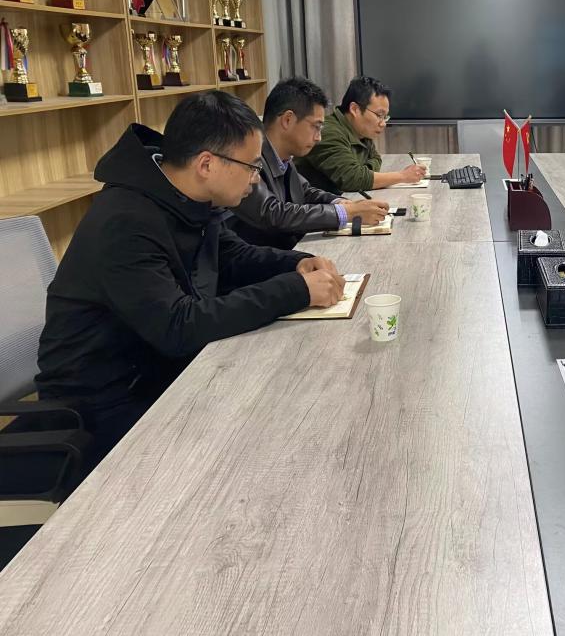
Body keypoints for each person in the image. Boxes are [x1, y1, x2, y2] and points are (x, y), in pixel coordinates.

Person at [34, 91, 346, 467]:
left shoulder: (185, 197)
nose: (256, 179)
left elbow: (232, 256)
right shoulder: (125, 222)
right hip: (102, 404)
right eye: (251, 166)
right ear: (206, 164)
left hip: (160, 371)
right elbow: (178, 326)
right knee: (258, 446)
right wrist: (295, 290)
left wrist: (298, 264)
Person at [228, 77, 389, 249]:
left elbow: (305, 191)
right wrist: (344, 213)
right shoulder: (250, 157)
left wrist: (342, 203)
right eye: (316, 126)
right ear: (287, 120)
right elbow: (272, 213)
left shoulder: (282, 156)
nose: (318, 137)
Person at [296, 75, 426, 193]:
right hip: (314, 207)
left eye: (385, 117)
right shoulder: (327, 131)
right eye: (379, 115)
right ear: (355, 109)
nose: (383, 124)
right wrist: (402, 176)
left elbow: (376, 158)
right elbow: (352, 179)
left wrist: (363, 173)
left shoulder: (361, 131)